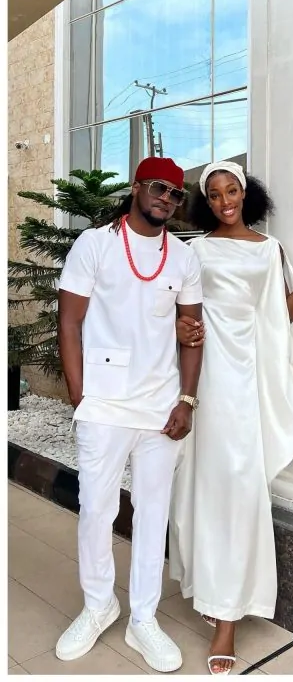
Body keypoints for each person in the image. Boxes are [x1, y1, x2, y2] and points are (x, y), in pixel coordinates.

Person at [168, 160, 293, 675]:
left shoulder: (269, 249)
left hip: (247, 381)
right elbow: (178, 313)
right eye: (215, 194)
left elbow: (281, 314)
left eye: (232, 190)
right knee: (204, 485)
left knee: (241, 488)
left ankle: (228, 618)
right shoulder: (195, 251)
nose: (225, 201)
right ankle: (210, 589)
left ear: (246, 193)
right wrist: (180, 332)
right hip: (204, 378)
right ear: (206, 202)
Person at [56, 157, 204, 673]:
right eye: (159, 188)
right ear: (137, 188)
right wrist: (81, 398)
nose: (167, 198)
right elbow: (69, 322)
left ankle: (143, 618)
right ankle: (99, 605)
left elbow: (193, 333)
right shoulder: (95, 244)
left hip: (161, 408)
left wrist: (186, 400)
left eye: (176, 193)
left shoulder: (183, 257)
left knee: (152, 513)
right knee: (96, 509)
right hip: (104, 405)